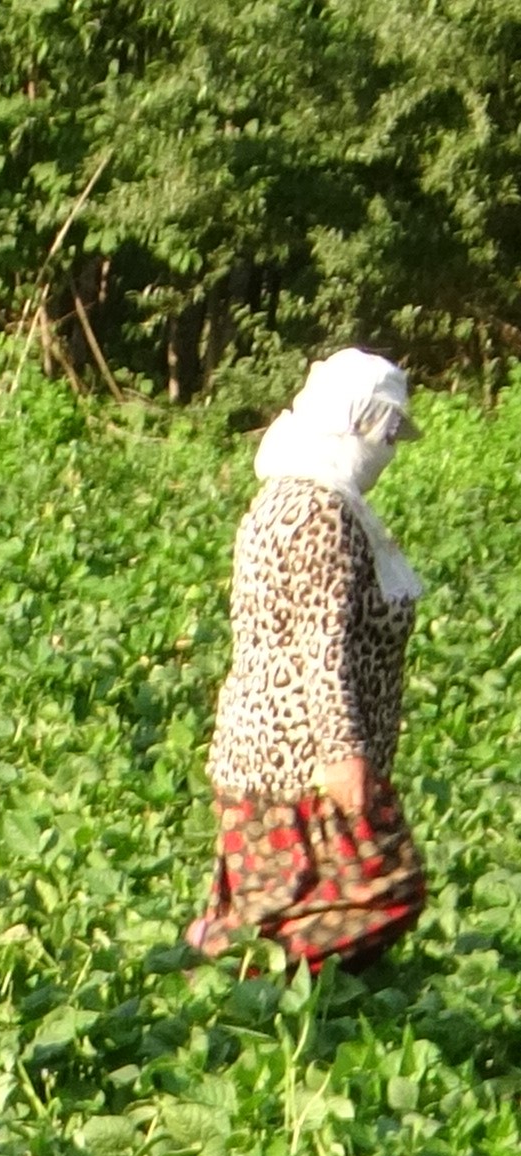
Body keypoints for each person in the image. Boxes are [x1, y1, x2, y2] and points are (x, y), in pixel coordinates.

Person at [186, 348, 429, 973]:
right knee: (389, 886)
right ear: (356, 424)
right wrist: (343, 754)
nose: (388, 451)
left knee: (276, 903)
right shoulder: (323, 513)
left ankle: (252, 990)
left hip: (260, 751)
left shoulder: (285, 495)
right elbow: (322, 645)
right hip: (301, 762)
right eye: (385, 434)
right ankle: (231, 961)